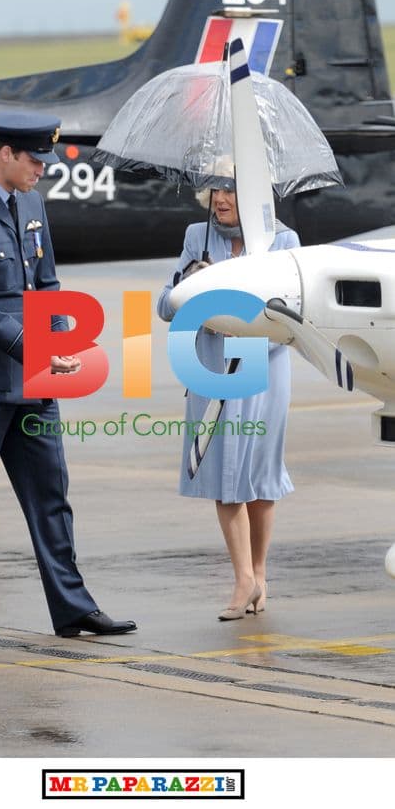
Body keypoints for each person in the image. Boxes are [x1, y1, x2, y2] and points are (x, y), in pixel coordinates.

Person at [0, 110, 136, 642]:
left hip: (36, 379)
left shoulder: (30, 203)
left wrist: (62, 342)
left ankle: (72, 607)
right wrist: (32, 347)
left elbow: (47, 284)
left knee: (51, 493)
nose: (42, 169)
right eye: (34, 159)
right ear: (4, 154)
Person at [157, 159, 299, 620]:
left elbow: (296, 316)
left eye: (232, 190)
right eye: (216, 189)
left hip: (263, 367)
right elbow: (165, 304)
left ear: (255, 195)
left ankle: (260, 575)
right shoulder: (196, 237)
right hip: (212, 369)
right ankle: (241, 578)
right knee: (223, 475)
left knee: (258, 479)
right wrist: (188, 282)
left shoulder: (283, 242)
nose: (220, 198)